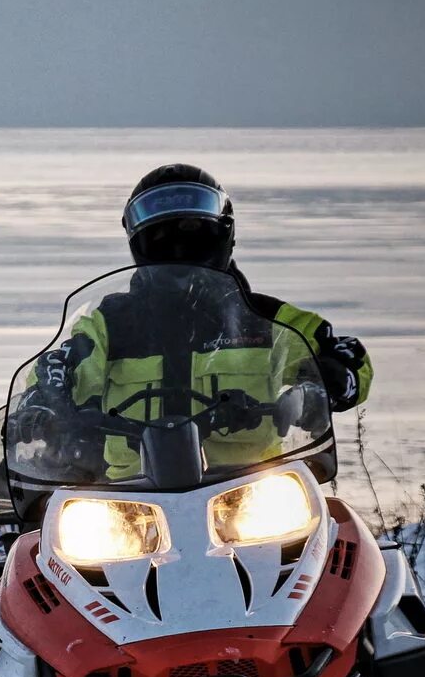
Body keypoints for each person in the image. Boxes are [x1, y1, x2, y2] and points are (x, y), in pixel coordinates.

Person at [18, 164, 371, 481]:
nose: (179, 256)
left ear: (222, 237)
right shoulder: (109, 325)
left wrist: (327, 384)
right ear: (140, 246)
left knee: (333, 540)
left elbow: (347, 355)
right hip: (131, 493)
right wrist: (42, 404)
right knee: (46, 547)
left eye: (195, 240)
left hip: (251, 488)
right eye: (163, 243)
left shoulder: (268, 322)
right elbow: (57, 364)